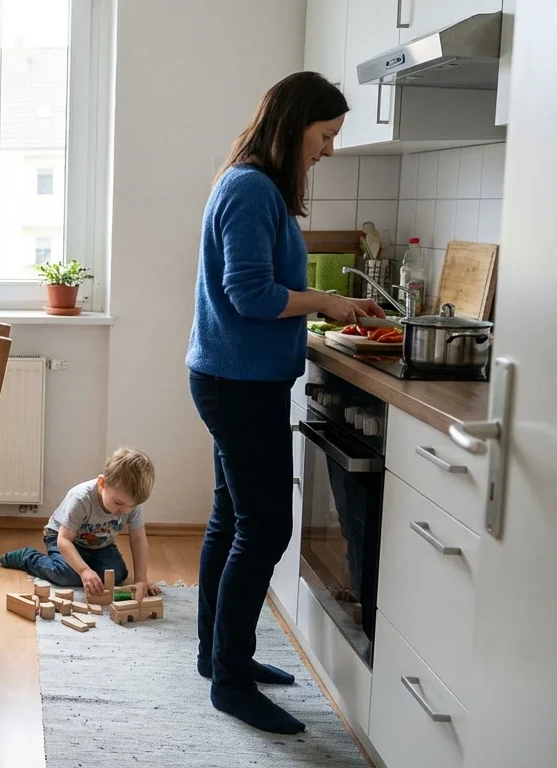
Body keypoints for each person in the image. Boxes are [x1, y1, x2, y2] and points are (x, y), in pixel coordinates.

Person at [186, 72, 384, 734]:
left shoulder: (252, 184)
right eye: (325, 135)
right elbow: (251, 295)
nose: (328, 149)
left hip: (235, 377)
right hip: (238, 383)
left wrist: (325, 307)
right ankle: (231, 681)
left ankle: (219, 659)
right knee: (264, 527)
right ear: (292, 125)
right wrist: (326, 302)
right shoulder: (250, 188)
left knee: (232, 519)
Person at [0, 447, 161, 601]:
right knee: (66, 575)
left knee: (117, 575)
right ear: (102, 483)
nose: (122, 512)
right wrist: (83, 570)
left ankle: (86, 565)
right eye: (118, 503)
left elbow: (138, 540)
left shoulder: (131, 505)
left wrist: (141, 580)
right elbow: (64, 540)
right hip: (64, 538)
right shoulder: (81, 499)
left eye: (130, 506)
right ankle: (27, 557)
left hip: (101, 543)